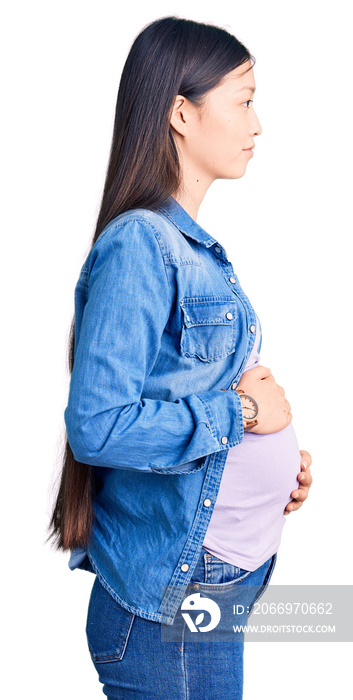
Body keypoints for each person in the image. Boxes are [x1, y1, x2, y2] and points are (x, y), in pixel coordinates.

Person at [48, 15, 313, 700]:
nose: (258, 124)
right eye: (244, 99)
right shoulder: (141, 244)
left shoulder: (189, 246)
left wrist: (268, 465)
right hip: (168, 607)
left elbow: (185, 403)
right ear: (180, 113)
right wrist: (245, 413)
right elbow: (98, 425)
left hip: (208, 588)